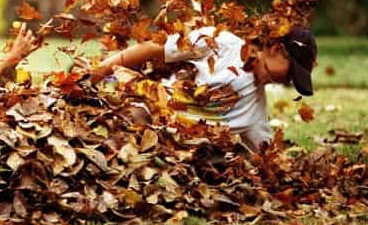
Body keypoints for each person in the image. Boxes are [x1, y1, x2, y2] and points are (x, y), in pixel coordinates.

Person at [85, 25, 317, 152]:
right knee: (130, 116)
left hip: (181, 152)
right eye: (289, 73)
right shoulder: (222, 44)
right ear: (276, 49)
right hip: (151, 113)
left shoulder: (254, 110)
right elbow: (153, 49)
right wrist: (94, 74)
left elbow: (264, 155)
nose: (285, 81)